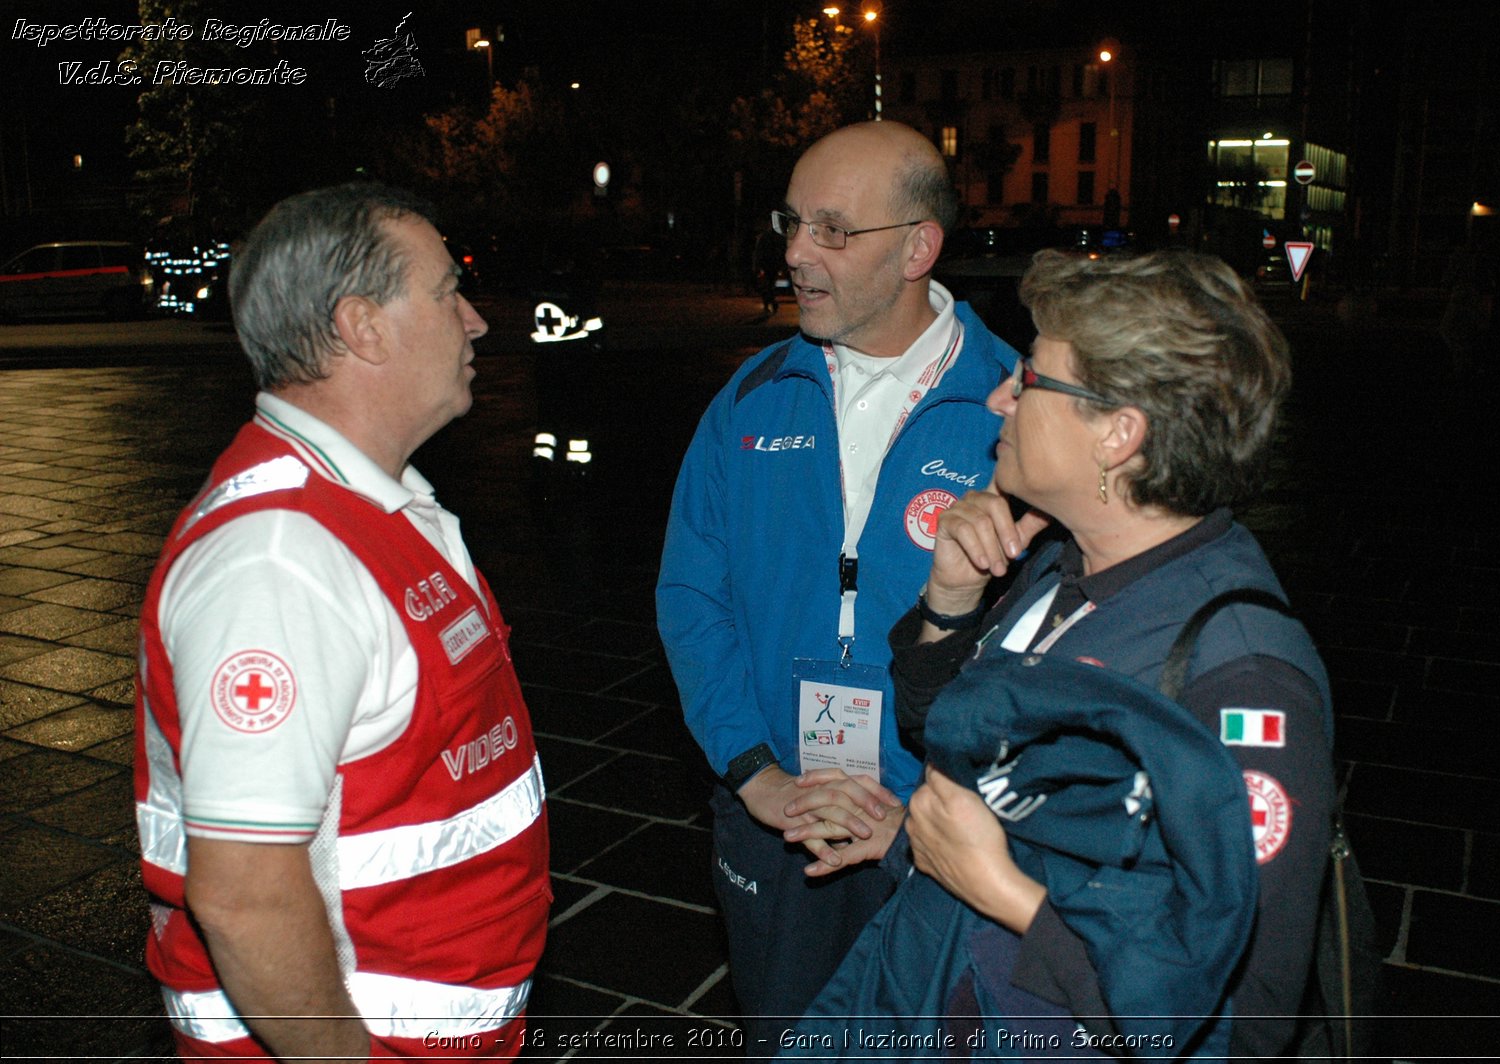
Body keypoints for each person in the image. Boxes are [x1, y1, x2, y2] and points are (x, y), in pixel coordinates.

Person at [790, 248, 1335, 1059]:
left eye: (1032, 377)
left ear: (1119, 435)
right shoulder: (1064, 562)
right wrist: (950, 601)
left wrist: (1007, 896)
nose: (999, 395)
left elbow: (1245, 1017)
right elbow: (945, 735)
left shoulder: (1245, 678)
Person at [133, 183, 552, 1061]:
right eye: (446, 292)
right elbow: (244, 897)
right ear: (362, 326)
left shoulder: (364, 509)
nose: (474, 321)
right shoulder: (280, 560)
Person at [656, 120, 1019, 1046]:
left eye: (829, 228)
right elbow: (692, 600)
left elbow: (1046, 648)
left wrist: (932, 808)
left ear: (918, 247)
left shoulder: (1011, 412)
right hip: (778, 820)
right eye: (790, 223)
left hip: (937, 840)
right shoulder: (750, 399)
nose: (792, 253)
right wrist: (751, 772)